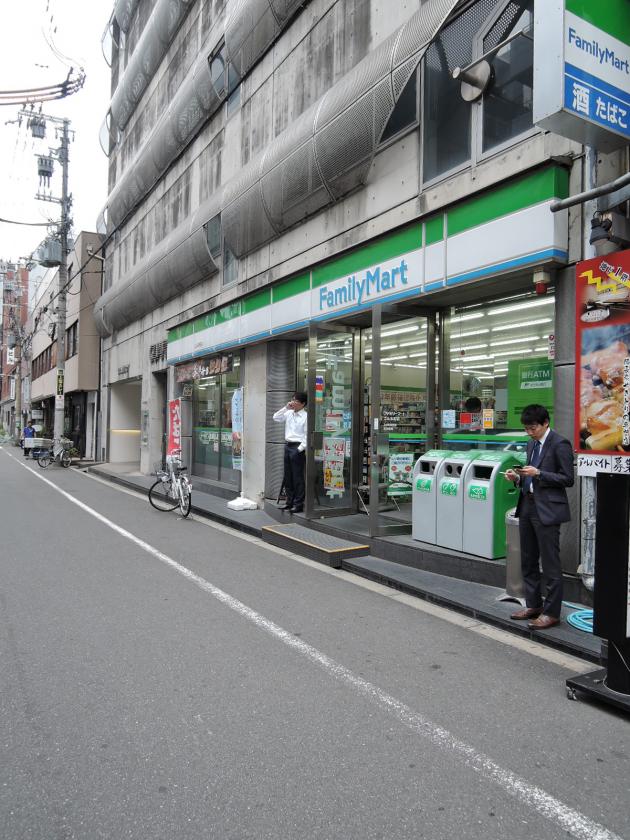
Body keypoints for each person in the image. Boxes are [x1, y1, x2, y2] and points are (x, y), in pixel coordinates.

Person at [504, 404, 574, 629]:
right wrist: (518, 478)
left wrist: (539, 473)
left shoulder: (560, 443)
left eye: (533, 428)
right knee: (528, 559)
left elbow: (567, 478)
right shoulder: (531, 443)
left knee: (551, 563)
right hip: (527, 505)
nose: (530, 432)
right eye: (526, 429)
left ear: (545, 423)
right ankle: (533, 605)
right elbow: (530, 477)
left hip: (548, 509)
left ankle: (551, 613)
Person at [273, 392, 307, 513]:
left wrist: (299, 450)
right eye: (292, 399)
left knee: (297, 477)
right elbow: (275, 417)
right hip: (287, 446)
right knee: (288, 476)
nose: (293, 402)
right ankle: (289, 502)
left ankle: (298, 504)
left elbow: (307, 436)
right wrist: (286, 407)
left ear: (303, 404)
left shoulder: (306, 416)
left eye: (296, 401)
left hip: (298, 447)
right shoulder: (288, 413)